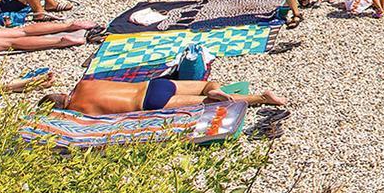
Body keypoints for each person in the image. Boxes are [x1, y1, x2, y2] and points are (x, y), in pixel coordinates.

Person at [48, 76, 286, 113]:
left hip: (148, 103)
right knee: (206, 86)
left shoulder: (78, 109)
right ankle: (215, 88)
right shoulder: (83, 84)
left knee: (209, 104)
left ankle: (261, 98)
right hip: (153, 85)